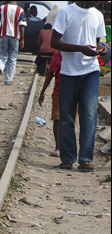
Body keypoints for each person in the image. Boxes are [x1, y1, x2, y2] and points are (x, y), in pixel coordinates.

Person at [51, 1, 107, 172]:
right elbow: (55, 42)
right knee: (67, 117)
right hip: (68, 73)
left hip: (91, 72)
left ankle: (85, 159)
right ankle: (67, 158)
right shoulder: (66, 13)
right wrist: (80, 49)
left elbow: (96, 43)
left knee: (89, 116)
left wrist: (101, 49)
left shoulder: (98, 15)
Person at [0, 1, 27, 85]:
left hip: (3, 35)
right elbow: (22, 26)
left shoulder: (2, 8)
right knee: (12, 58)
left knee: (2, 56)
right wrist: (22, 39)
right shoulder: (20, 10)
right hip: (14, 37)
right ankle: (8, 80)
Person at [37, 51, 62, 158]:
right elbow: (51, 73)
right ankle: (59, 147)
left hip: (71, 93)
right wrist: (42, 91)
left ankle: (62, 147)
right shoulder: (58, 54)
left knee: (62, 121)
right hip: (59, 92)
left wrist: (43, 92)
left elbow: (50, 73)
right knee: (57, 119)